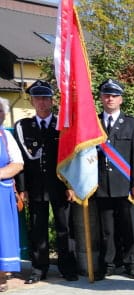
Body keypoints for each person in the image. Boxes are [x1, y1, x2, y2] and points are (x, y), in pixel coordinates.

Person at [13, 80, 78, 283]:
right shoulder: (23, 126)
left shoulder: (63, 125)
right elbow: (21, 161)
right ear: (32, 102)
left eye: (45, 98)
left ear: (52, 101)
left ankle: (67, 267)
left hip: (59, 185)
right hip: (36, 186)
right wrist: (22, 188)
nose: (41, 103)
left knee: (64, 227)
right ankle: (39, 268)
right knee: (37, 227)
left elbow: (71, 158)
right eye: (37, 99)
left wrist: (71, 185)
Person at [95, 79, 134, 280]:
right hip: (101, 184)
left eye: (114, 95)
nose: (110, 99)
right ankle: (109, 263)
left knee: (129, 227)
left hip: (125, 184)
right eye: (107, 95)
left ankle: (131, 263)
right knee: (107, 229)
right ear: (101, 98)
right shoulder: (94, 123)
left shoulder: (131, 123)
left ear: (121, 99)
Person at [0, 109, 24, 292]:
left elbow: (17, 163)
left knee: (2, 233)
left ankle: (1, 275)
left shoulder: (6, 135)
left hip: (1, 191)